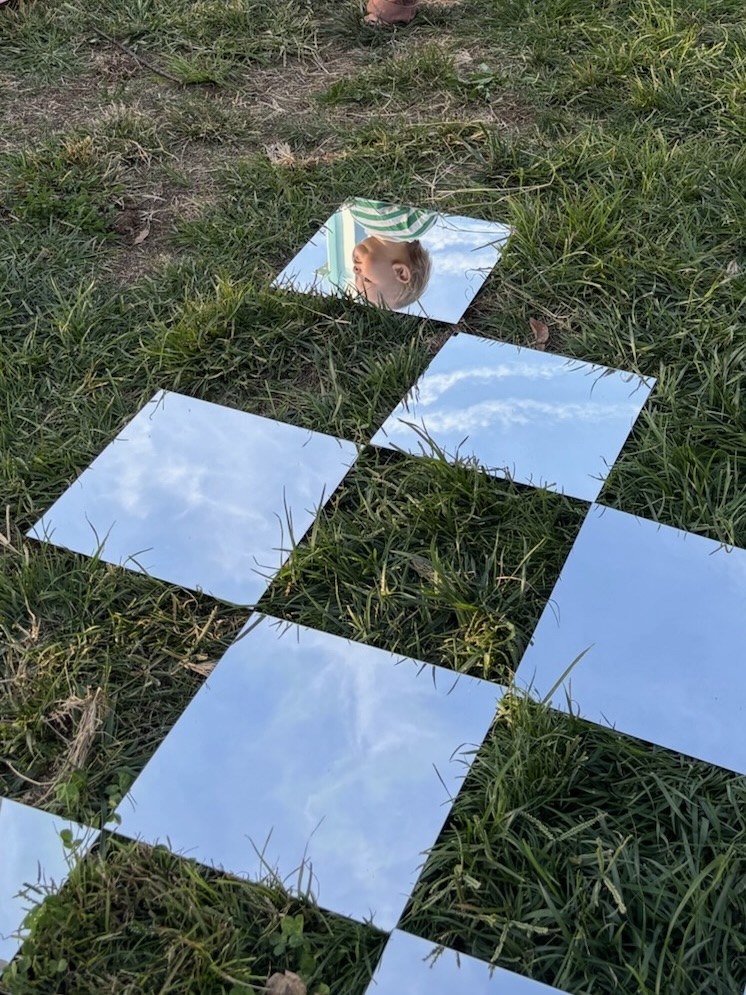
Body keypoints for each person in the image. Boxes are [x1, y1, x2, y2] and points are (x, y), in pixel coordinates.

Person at [347, 198, 435, 309]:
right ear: (400, 272)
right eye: (366, 279)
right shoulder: (414, 225)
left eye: (356, 276)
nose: (354, 270)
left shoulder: (357, 216)